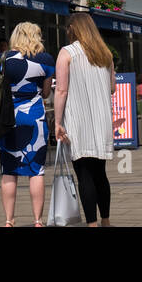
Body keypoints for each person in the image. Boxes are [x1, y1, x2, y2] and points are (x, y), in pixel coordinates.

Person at [53, 12, 116, 227]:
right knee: (100, 173)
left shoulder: (67, 53)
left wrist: (57, 122)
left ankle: (91, 223)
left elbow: (61, 90)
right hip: (101, 121)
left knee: (84, 174)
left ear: (73, 29)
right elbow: (112, 87)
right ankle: (105, 220)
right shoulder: (105, 54)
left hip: (78, 120)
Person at [0, 21, 56, 227]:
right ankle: (38, 221)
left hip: (8, 118)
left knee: (9, 170)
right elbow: (47, 93)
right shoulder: (46, 60)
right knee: (36, 171)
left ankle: (8, 220)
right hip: (35, 117)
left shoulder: (3, 58)